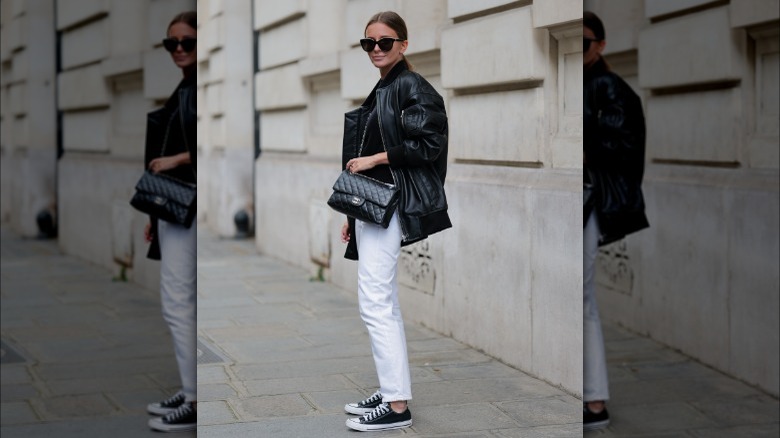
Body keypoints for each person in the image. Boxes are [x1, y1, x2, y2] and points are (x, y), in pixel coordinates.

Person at [339, 11, 451, 432]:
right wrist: (352, 212)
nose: (377, 49)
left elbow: (429, 143)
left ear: (404, 44)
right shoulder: (385, 86)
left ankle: (397, 407)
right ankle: (392, 389)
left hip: (392, 206)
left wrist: (375, 159)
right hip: (372, 207)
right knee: (381, 302)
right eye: (369, 43)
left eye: (385, 42)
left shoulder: (411, 85)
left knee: (375, 303)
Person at [583, 11, 649, 431]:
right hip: (578, 200)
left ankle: (594, 402)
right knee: (580, 299)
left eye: (585, 42)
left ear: (601, 45)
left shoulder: (608, 85)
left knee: (582, 299)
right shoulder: (577, 82)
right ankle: (592, 401)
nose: (578, 49)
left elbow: (623, 146)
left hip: (587, 201)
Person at [143, 11, 198, 433]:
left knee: (178, 303)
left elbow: (203, 146)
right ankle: (189, 387)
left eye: (186, 42)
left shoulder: (198, 88)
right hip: (173, 205)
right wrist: (152, 213)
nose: (178, 50)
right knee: (181, 303)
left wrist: (176, 160)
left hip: (188, 206)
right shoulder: (185, 86)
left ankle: (195, 399)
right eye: (171, 44)